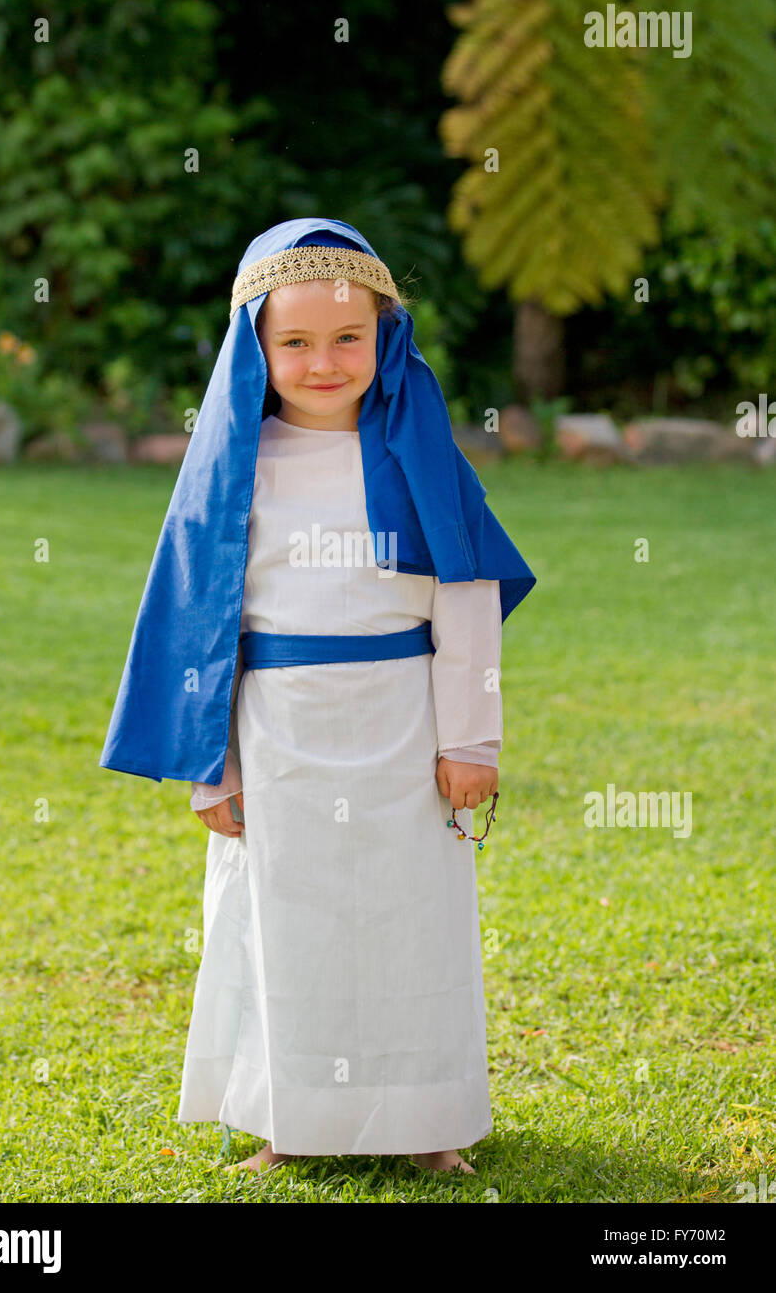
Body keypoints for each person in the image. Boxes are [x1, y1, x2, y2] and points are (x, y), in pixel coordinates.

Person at [99, 218, 536, 1176]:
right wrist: (213, 769)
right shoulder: (232, 475)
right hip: (278, 732)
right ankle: (287, 1120)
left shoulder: (424, 463)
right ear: (255, 349)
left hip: (402, 728)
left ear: (388, 338)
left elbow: (467, 610)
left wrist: (473, 740)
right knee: (279, 929)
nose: (323, 360)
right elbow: (207, 630)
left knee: (411, 927)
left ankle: (426, 1124)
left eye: (348, 337)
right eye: (293, 341)